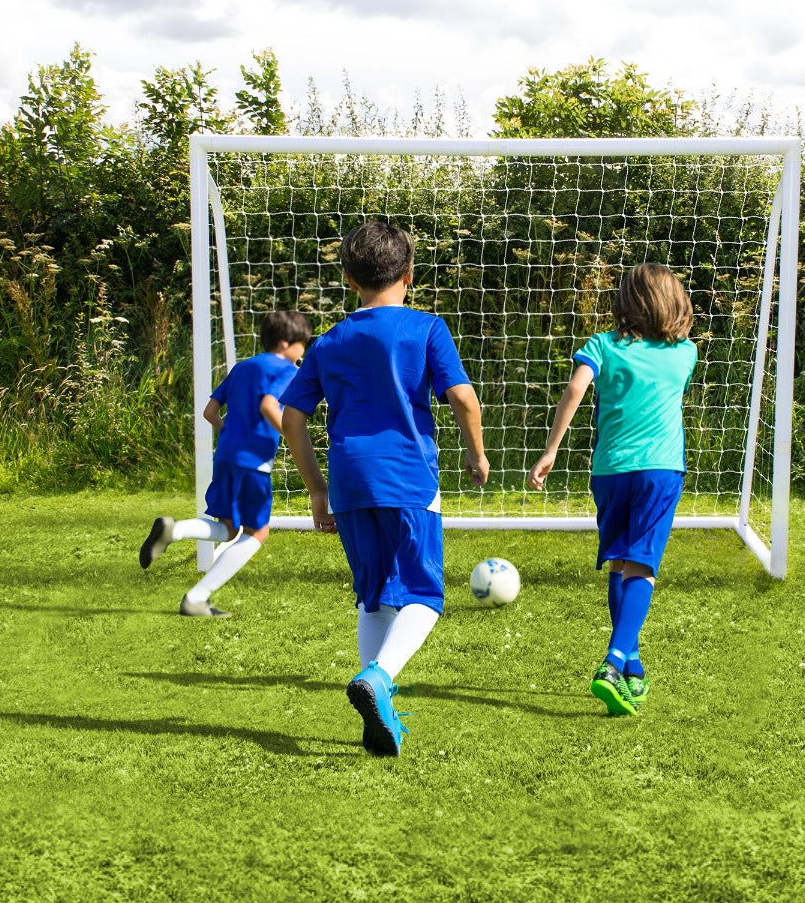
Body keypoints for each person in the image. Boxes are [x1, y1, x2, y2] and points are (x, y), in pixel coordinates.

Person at [280, 221, 489, 757]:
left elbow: (292, 416)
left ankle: (381, 712)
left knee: (374, 597)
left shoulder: (328, 343)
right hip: (407, 478)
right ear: (410, 276)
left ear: (349, 279)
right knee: (423, 595)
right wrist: (476, 451)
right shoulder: (426, 329)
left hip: (349, 482)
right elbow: (463, 398)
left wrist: (317, 489)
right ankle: (377, 677)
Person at [527, 263, 697, 716]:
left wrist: (550, 451)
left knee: (621, 564)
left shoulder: (601, 345)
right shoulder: (686, 354)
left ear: (625, 303)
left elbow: (575, 390)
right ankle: (614, 660)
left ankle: (633, 668)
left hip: (609, 471)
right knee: (642, 565)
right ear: (675, 302)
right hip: (660, 470)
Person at [139, 309, 315, 618]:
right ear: (287, 343)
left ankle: (174, 530)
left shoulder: (242, 367)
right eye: (303, 344)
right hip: (253, 464)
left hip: (226, 457)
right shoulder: (287, 369)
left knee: (229, 529)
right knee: (257, 532)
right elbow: (268, 405)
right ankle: (197, 596)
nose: (304, 350)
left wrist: (229, 432)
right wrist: (289, 433)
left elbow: (209, 412)